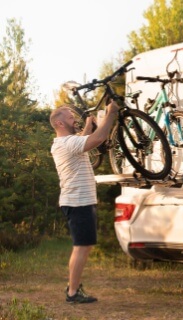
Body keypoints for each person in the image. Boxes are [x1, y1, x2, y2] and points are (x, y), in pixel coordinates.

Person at [50, 101, 119, 303]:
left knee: (84, 245)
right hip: (77, 201)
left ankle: (73, 287)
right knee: (81, 246)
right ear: (60, 124)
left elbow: (83, 140)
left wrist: (88, 126)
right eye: (70, 117)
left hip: (80, 200)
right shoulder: (66, 143)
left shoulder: (66, 142)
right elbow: (98, 138)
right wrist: (110, 114)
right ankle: (72, 293)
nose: (75, 119)